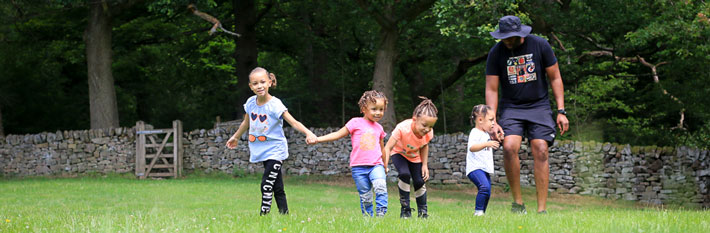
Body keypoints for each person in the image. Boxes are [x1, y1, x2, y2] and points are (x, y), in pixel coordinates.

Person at [485, 15, 569, 214]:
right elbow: (492, 89)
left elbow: (555, 77)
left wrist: (561, 111)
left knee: (540, 148)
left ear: (519, 34)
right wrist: (492, 120)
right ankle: (518, 203)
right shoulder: (496, 53)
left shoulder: (540, 45)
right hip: (512, 107)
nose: (506, 41)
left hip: (539, 106)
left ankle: (541, 209)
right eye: (503, 37)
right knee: (508, 147)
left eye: (509, 37)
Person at [225, 67, 317, 216]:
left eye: (262, 82)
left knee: (266, 184)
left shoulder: (275, 105)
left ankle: (264, 215)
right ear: (251, 86)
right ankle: (284, 215)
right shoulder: (250, 103)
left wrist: (308, 132)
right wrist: (235, 137)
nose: (259, 86)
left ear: (269, 82)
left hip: (276, 150)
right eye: (255, 83)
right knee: (277, 186)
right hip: (261, 149)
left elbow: (293, 122)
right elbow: (245, 123)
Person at [308, 90, 389, 217]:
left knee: (380, 186)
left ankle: (381, 214)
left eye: (381, 109)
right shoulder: (355, 123)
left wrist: (385, 165)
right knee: (366, 196)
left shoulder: (379, 128)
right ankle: (368, 218)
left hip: (376, 165)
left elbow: (382, 148)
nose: (378, 113)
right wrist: (318, 139)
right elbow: (337, 134)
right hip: (358, 167)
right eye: (374, 109)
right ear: (363, 108)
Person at [383, 97, 438, 219]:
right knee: (404, 174)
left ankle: (423, 213)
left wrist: (424, 165)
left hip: (414, 157)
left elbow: (424, 146)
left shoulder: (429, 132)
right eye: (424, 125)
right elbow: (387, 148)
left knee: (419, 181)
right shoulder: (402, 128)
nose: (427, 129)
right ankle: (405, 211)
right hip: (399, 153)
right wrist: (384, 165)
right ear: (414, 119)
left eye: (430, 126)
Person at [466, 104, 500, 216]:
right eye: (491, 120)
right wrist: (487, 143)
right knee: (484, 187)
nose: (493, 123)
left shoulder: (485, 133)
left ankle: (482, 213)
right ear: (480, 120)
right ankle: (478, 212)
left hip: (484, 168)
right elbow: (472, 147)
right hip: (475, 168)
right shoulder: (474, 132)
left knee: (487, 191)